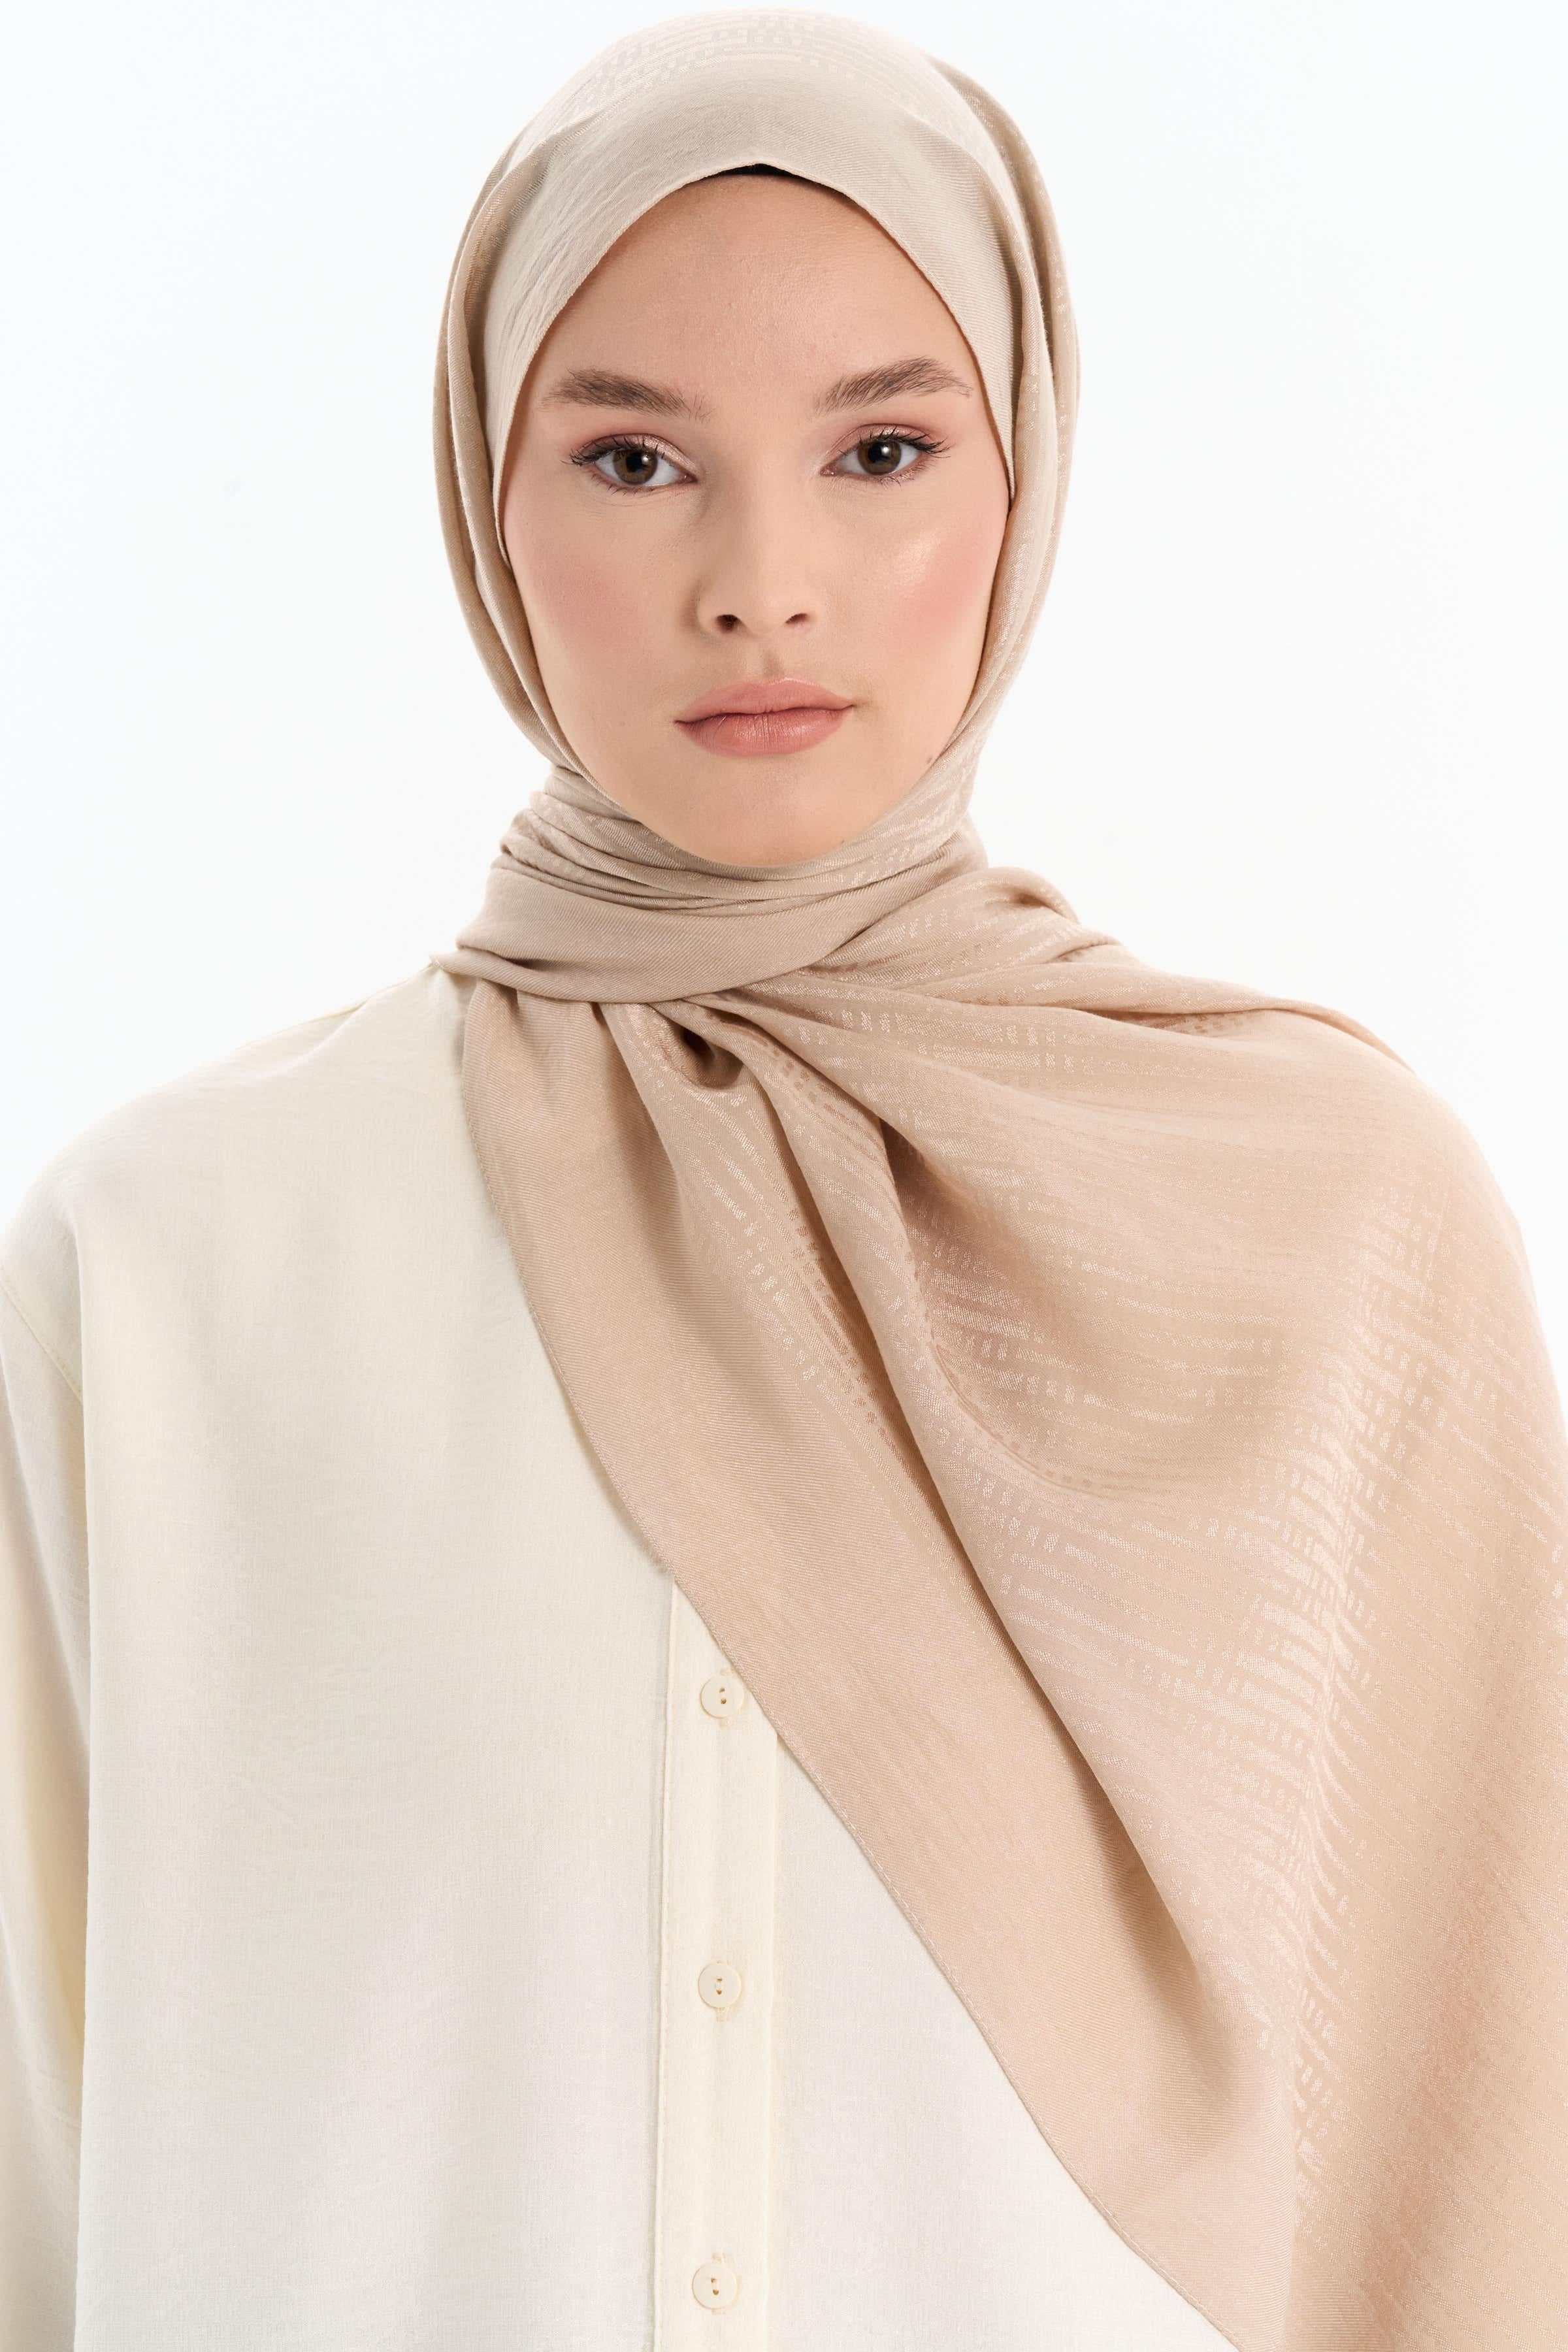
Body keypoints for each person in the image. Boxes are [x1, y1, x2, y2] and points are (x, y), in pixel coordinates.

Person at [3, 14, 1564, 2351]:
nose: (763, 582)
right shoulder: (159, 1278)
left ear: (1024, 478)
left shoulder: (1338, 1236)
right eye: (634, 457)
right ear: (486, 496)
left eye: (883, 449)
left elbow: (1485, 2155)